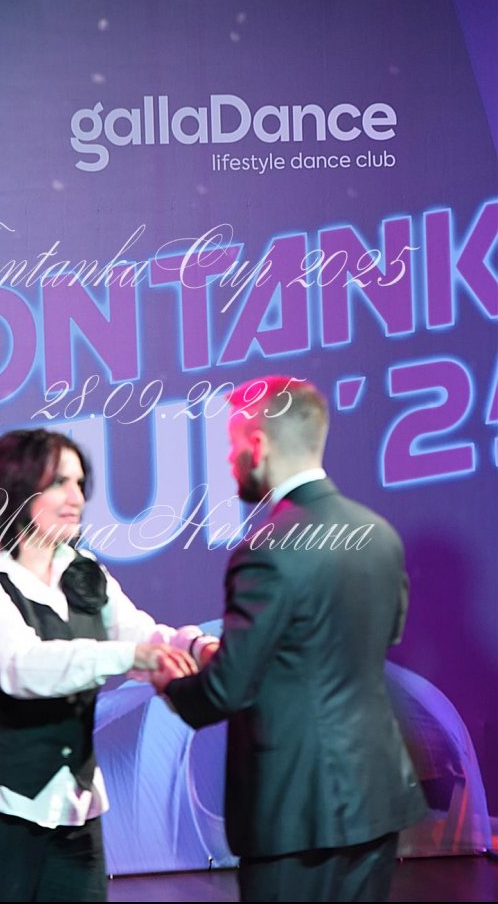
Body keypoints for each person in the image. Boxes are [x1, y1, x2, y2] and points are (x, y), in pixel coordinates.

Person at [152, 375, 427, 903]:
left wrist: (169, 681)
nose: (228, 460)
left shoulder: (267, 549)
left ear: (257, 445)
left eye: (231, 443)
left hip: (295, 811)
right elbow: (367, 639)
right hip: (374, 798)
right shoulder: (377, 533)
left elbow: (223, 694)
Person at [0, 428, 207, 903]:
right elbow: (20, 666)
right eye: (59, 483)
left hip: (73, 815)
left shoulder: (83, 573)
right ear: (17, 486)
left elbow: (140, 635)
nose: (76, 498)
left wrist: (197, 648)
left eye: (79, 484)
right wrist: (131, 656)